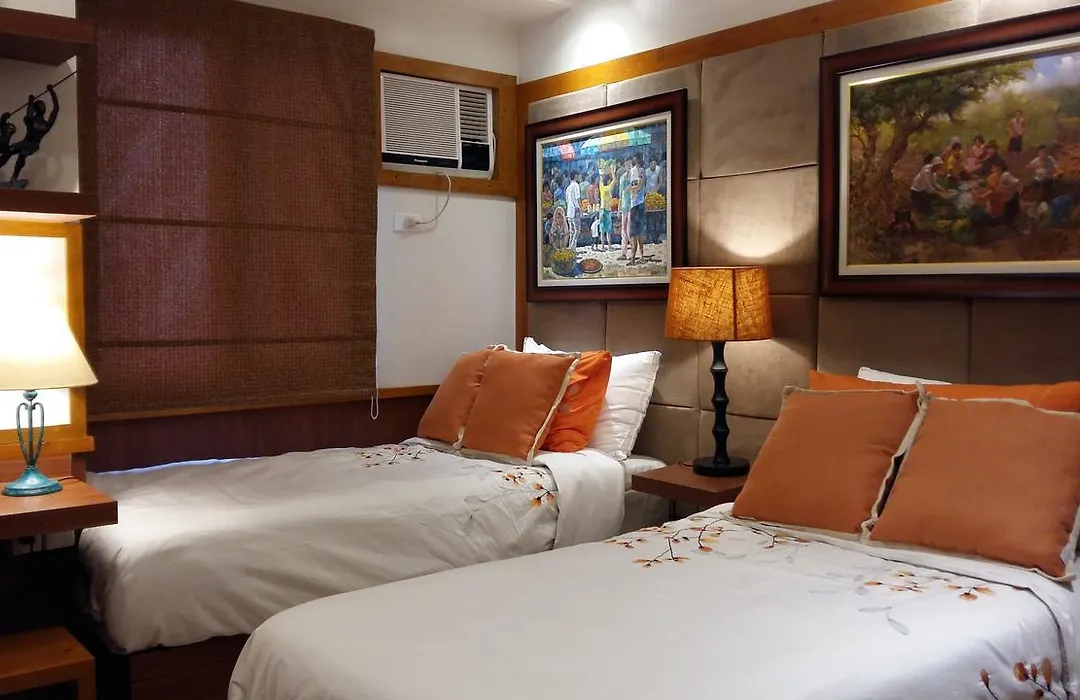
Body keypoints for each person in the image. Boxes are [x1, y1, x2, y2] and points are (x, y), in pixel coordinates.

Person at [627, 155, 647, 265]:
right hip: (635, 204)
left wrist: (632, 189)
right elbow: (635, 186)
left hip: (638, 204)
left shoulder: (641, 171)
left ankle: (636, 258)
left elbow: (639, 186)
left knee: (636, 232)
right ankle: (635, 257)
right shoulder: (632, 171)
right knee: (636, 232)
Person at [617, 158, 634, 260]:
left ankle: (632, 254)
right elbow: (620, 195)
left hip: (632, 206)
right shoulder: (622, 177)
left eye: (630, 164)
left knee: (629, 230)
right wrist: (619, 209)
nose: (628, 166)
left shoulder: (634, 177)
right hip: (624, 206)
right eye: (627, 164)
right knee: (623, 231)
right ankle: (623, 253)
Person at [596, 166, 615, 252]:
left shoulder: (601, 187)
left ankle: (603, 246)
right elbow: (614, 180)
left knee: (602, 229)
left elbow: (600, 179)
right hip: (607, 210)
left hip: (602, 209)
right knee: (608, 230)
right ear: (608, 181)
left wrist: (601, 171)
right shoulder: (608, 188)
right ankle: (609, 246)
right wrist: (612, 171)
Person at [564, 170, 582, 250]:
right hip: (575, 210)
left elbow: (567, 201)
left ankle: (571, 247)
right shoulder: (576, 185)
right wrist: (581, 209)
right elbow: (578, 198)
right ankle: (572, 247)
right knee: (577, 230)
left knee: (572, 231)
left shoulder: (568, 188)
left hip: (569, 211)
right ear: (575, 176)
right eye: (578, 175)